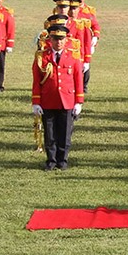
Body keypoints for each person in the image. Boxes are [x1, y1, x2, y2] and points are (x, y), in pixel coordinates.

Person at [32, 25, 84, 171]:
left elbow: (78, 79)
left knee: (65, 133)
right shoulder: (42, 56)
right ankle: (51, 160)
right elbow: (36, 80)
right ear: (50, 39)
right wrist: (36, 101)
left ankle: (63, 160)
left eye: (61, 39)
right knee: (50, 132)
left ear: (66, 40)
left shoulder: (73, 55)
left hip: (67, 100)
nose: (58, 42)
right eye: (55, 39)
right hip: (48, 100)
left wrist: (79, 101)